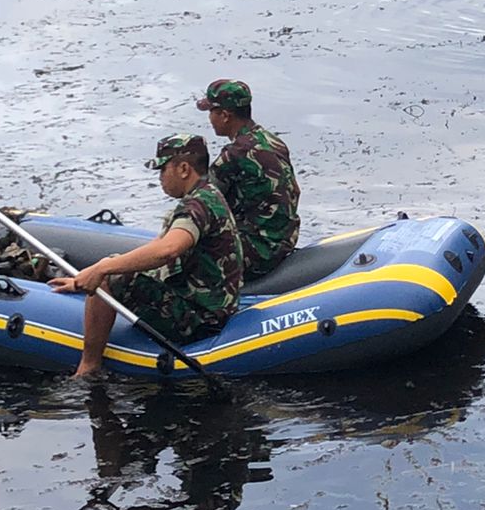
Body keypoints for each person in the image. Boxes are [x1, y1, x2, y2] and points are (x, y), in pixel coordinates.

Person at [50, 133, 243, 378]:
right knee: (113, 265)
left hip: (200, 320)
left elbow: (168, 250)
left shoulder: (197, 207)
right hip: (210, 307)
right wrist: (82, 279)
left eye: (163, 170)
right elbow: (160, 245)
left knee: (110, 277)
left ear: (183, 169)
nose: (160, 178)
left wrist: (102, 270)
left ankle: (88, 366)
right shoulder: (208, 195)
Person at [196, 79, 301, 281]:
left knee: (185, 264)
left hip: (258, 251)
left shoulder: (234, 154)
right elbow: (295, 190)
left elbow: (200, 200)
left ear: (225, 116)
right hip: (286, 240)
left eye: (211, 112)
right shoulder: (273, 141)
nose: (209, 118)